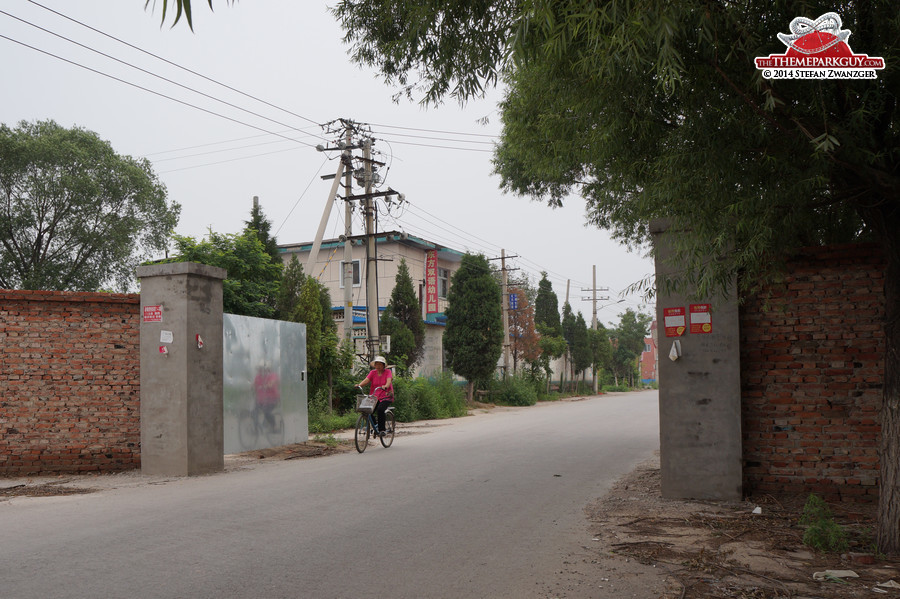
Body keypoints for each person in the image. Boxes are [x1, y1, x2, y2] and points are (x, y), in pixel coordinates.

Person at [357, 355, 393, 435]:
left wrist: (386, 386)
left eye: (380, 364)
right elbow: (366, 380)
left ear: (384, 365)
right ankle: (375, 426)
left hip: (386, 395)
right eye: (377, 364)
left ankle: (382, 429)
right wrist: (359, 385)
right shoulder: (372, 373)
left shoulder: (388, 372)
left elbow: (389, 380)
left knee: (380, 410)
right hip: (375, 396)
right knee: (368, 410)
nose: (378, 366)